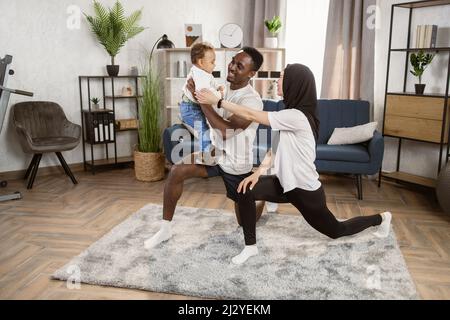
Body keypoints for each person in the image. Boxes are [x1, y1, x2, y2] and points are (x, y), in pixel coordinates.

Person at [196, 63, 392, 265]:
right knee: (245, 189)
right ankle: (250, 247)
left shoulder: (297, 116)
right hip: (283, 183)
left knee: (337, 230)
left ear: (294, 84)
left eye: (282, 77)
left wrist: (218, 102)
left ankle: (381, 218)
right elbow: (274, 149)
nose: (278, 81)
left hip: (305, 192)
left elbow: (252, 115)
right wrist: (258, 173)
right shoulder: (289, 113)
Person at [144, 47, 267, 249]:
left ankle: (260, 200)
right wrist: (195, 96)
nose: (232, 67)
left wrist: (202, 102)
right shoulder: (220, 88)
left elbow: (226, 131)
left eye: (240, 66)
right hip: (213, 152)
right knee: (176, 171)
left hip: (236, 162)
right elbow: (199, 97)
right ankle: (165, 230)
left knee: (244, 221)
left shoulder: (252, 100)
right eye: (233, 61)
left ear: (251, 74)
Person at [180, 42, 223, 165]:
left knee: (206, 129)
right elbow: (204, 95)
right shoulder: (200, 75)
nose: (214, 65)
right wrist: (219, 94)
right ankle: (205, 156)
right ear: (200, 62)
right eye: (212, 62)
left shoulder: (204, 73)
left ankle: (208, 150)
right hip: (191, 109)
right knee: (203, 130)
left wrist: (218, 87)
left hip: (191, 107)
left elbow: (212, 83)